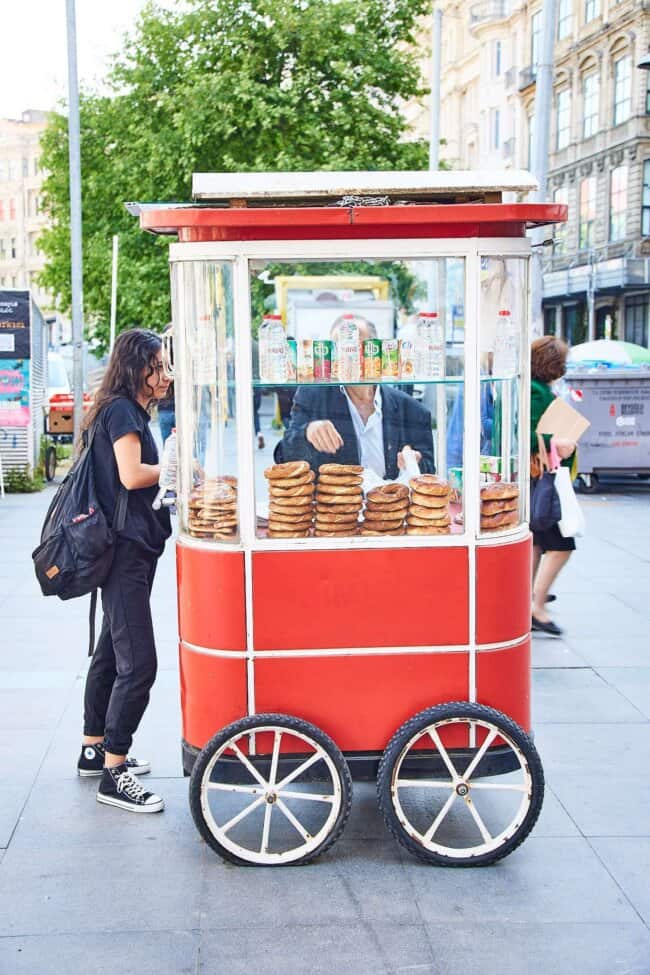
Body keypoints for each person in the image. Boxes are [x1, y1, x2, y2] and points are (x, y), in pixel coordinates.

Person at [76, 328, 172, 813]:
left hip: (123, 547)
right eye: (158, 366)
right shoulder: (121, 412)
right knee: (139, 664)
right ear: (137, 368)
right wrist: (175, 468)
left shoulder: (122, 409)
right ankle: (114, 773)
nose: (166, 375)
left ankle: (95, 749)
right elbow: (132, 475)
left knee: (111, 652)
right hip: (124, 552)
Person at [275, 317, 434, 478]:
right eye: (341, 348)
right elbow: (283, 456)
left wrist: (414, 462)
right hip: (337, 495)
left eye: (355, 347)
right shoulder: (313, 397)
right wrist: (306, 433)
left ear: (376, 350)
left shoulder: (411, 410)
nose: (349, 357)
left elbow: (429, 470)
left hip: (391, 494)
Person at [530, 336, 576, 637]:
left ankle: (528, 600)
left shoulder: (539, 388)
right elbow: (530, 431)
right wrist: (560, 442)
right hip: (543, 476)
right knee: (562, 545)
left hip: (539, 477)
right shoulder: (536, 392)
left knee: (536, 542)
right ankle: (536, 605)